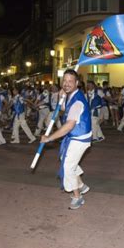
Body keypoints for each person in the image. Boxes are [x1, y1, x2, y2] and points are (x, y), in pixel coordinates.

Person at [40, 69, 92, 210]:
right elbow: (64, 109)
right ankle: (81, 185)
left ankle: (78, 197)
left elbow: (69, 125)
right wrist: (61, 98)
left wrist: (49, 138)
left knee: (68, 166)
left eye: (70, 81)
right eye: (65, 81)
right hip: (75, 135)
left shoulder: (77, 101)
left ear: (77, 83)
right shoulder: (71, 95)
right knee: (65, 158)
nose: (67, 84)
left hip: (79, 137)